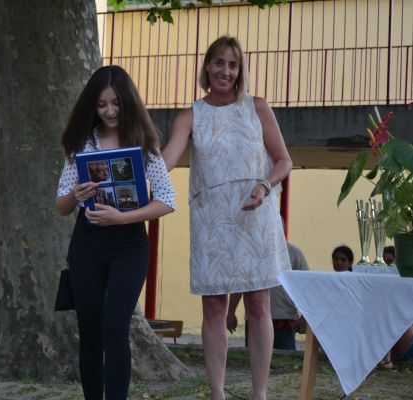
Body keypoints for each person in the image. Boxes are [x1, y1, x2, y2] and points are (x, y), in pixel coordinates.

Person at [162, 36, 292, 400]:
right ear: (207, 66)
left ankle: (260, 393)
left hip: (255, 215)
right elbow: (166, 159)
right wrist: (135, 168)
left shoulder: (257, 107)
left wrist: (265, 186)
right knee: (214, 306)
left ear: (240, 70)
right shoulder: (190, 115)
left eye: (233, 65)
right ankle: (217, 393)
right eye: (219, 63)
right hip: (211, 221)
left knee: (258, 304)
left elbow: (284, 161)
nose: (225, 71)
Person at [55, 65, 175, 400]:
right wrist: (75, 195)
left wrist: (123, 218)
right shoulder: (81, 144)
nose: (109, 111)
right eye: (101, 104)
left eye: (116, 103)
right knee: (90, 331)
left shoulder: (144, 144)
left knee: (115, 326)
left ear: (128, 102)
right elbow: (61, 205)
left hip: (129, 245)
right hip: (88, 243)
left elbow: (167, 200)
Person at [226, 241, 309, 350]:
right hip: (254, 317)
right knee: (255, 356)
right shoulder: (250, 253)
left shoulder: (294, 253)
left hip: (284, 319)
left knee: (283, 358)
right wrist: (231, 313)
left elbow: (306, 287)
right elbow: (240, 284)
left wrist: (305, 317)